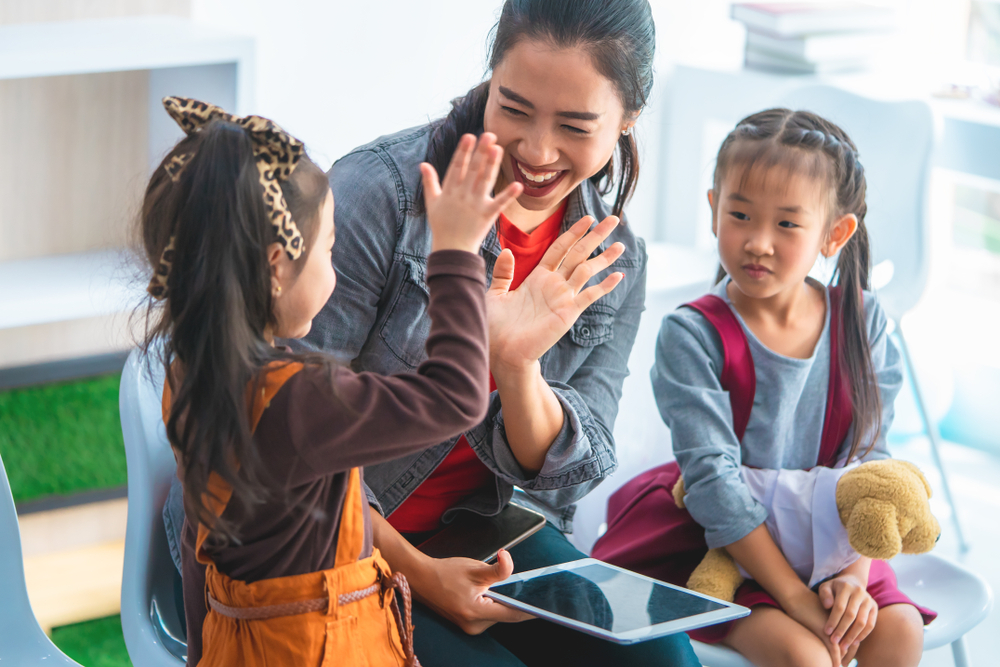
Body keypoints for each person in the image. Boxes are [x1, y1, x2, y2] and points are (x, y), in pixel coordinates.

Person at [302, 1, 699, 665]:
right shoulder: (382, 194)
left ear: (628, 118)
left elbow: (569, 479)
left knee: (665, 659)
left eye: (575, 125)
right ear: (489, 79)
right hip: (321, 534)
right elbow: (291, 439)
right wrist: (418, 576)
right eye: (513, 108)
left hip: (476, 526)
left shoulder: (611, 256)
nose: (537, 152)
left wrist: (517, 365)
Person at [141, 96, 524, 666]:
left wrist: (201, 655)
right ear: (276, 267)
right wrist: (457, 253)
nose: (335, 269)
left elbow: (199, 550)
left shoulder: (189, 375)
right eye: (328, 249)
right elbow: (458, 396)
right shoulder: (300, 401)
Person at [591, 109, 936, 667]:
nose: (757, 242)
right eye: (741, 214)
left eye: (787, 224)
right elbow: (713, 482)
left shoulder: (863, 323)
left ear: (834, 234)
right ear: (713, 210)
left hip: (832, 539)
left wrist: (851, 574)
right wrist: (798, 599)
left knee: (899, 636)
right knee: (808, 656)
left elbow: (870, 463)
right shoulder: (693, 333)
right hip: (722, 542)